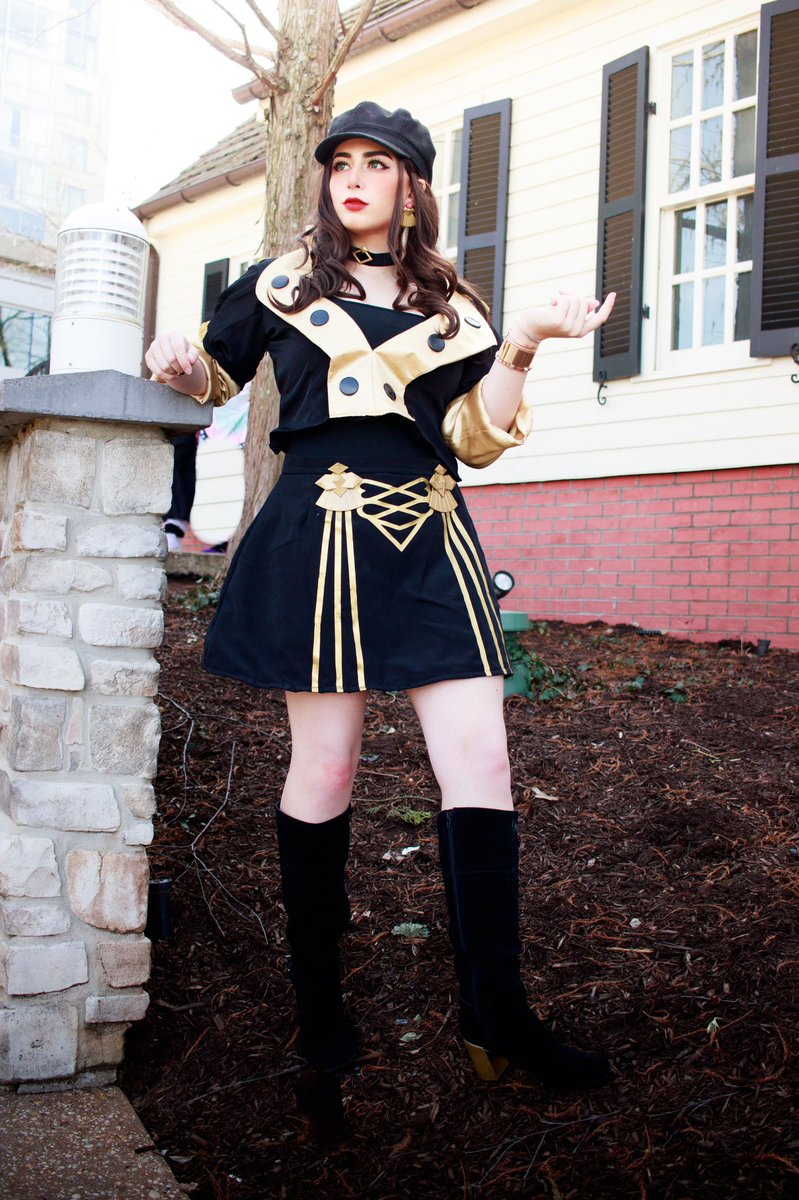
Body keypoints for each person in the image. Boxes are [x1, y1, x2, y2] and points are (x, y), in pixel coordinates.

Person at [146, 101, 616, 1105]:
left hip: (434, 536)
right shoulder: (279, 283)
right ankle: (321, 1019)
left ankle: (497, 1015)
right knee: (326, 765)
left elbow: (476, 438)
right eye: (341, 163)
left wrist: (522, 344)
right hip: (317, 532)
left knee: (482, 763)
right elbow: (210, 378)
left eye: (377, 163)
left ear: (412, 184)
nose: (353, 178)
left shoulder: (456, 307)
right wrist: (180, 366)